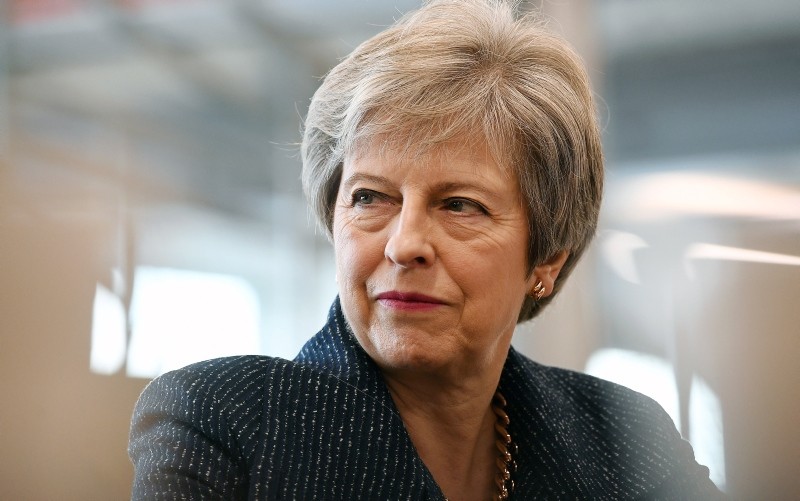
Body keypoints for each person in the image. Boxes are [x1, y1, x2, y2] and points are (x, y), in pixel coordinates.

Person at [129, 0, 722, 499]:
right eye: (370, 198)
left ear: (547, 257)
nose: (405, 243)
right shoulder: (226, 421)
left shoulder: (626, 442)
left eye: (460, 205)